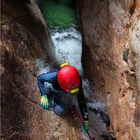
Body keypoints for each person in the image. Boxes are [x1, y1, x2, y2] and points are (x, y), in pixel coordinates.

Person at [37, 62, 88, 132]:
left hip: (62, 91)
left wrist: (86, 119)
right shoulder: (54, 76)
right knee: (58, 108)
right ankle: (51, 100)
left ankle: (61, 102)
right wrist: (43, 96)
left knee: (61, 110)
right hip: (52, 87)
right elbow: (40, 79)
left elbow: (81, 100)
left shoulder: (77, 80)